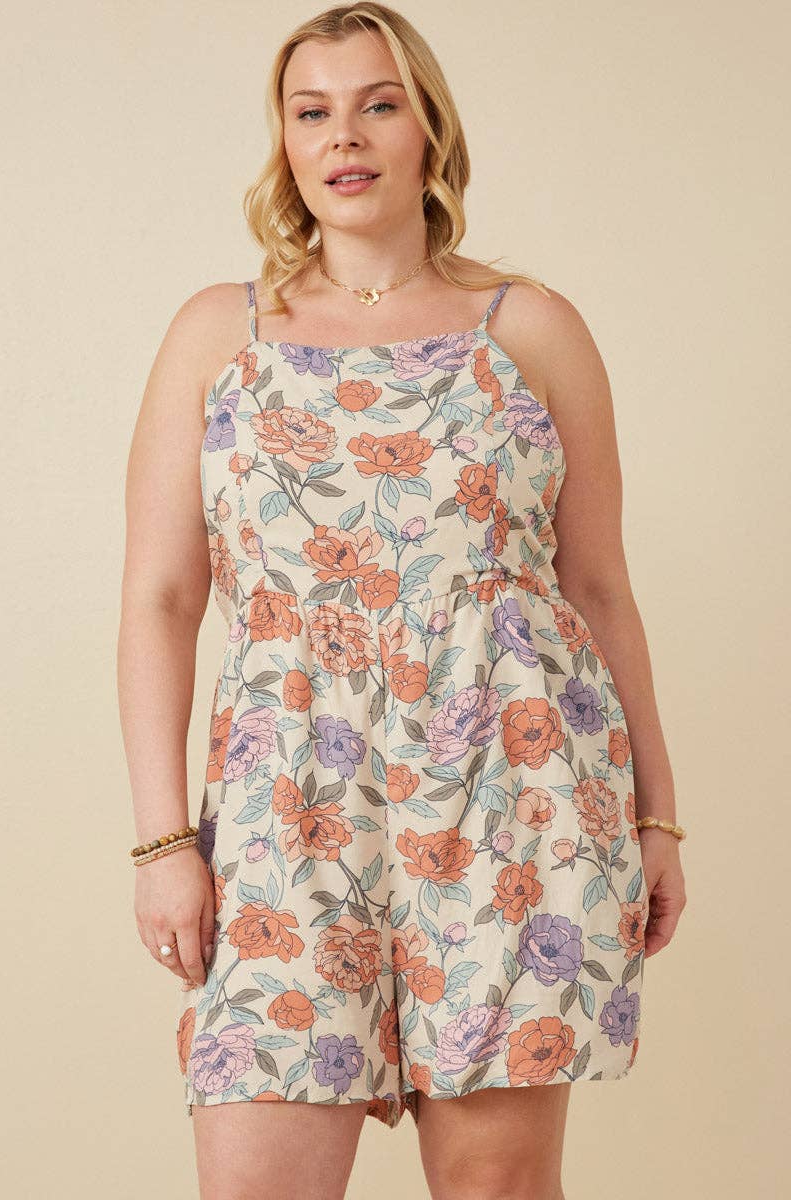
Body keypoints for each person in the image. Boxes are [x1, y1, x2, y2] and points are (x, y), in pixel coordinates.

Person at [118, 4, 687, 1197]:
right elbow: (163, 597)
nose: (344, 135)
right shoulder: (218, 335)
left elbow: (595, 586)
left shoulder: (530, 328)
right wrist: (166, 841)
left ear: (428, 128)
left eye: (377, 104)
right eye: (310, 111)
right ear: (284, 142)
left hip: (512, 797)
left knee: (494, 1188)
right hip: (286, 807)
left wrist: (656, 817)